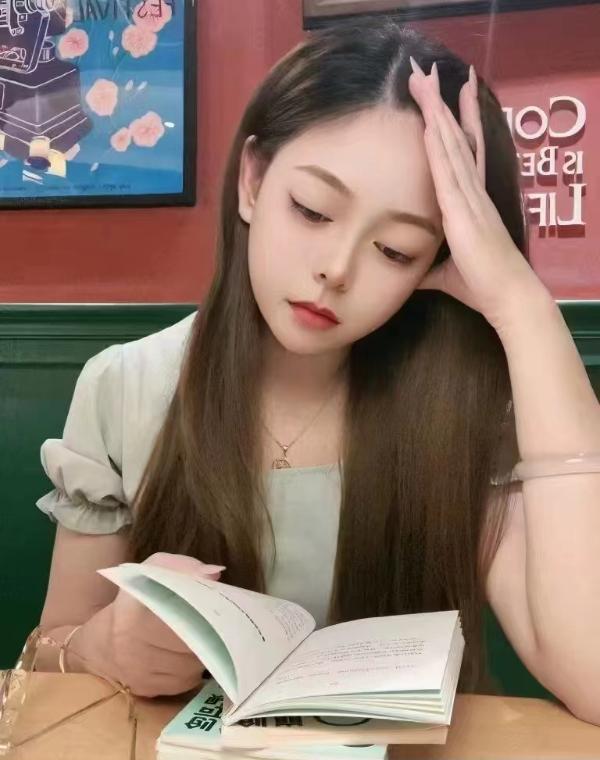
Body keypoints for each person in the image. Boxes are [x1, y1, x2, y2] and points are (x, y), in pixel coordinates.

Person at [33, 19, 600, 724]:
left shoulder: (463, 412)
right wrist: (107, 645)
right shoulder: (123, 386)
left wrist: (522, 304)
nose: (336, 270)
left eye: (396, 250)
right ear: (252, 180)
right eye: (313, 210)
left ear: (439, 261)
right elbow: (47, 649)